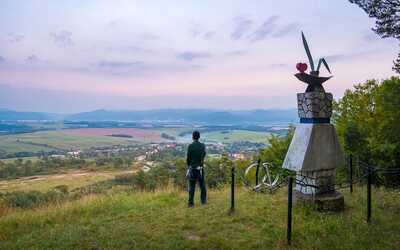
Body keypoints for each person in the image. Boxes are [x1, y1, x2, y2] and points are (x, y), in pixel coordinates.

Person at [186, 130, 207, 207]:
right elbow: (204, 155)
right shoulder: (202, 146)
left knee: (192, 186)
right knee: (202, 185)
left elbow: (188, 158)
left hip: (193, 168)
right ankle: (203, 202)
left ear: (193, 137)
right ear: (199, 137)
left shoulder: (190, 146)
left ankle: (191, 203)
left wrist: (189, 166)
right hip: (200, 169)